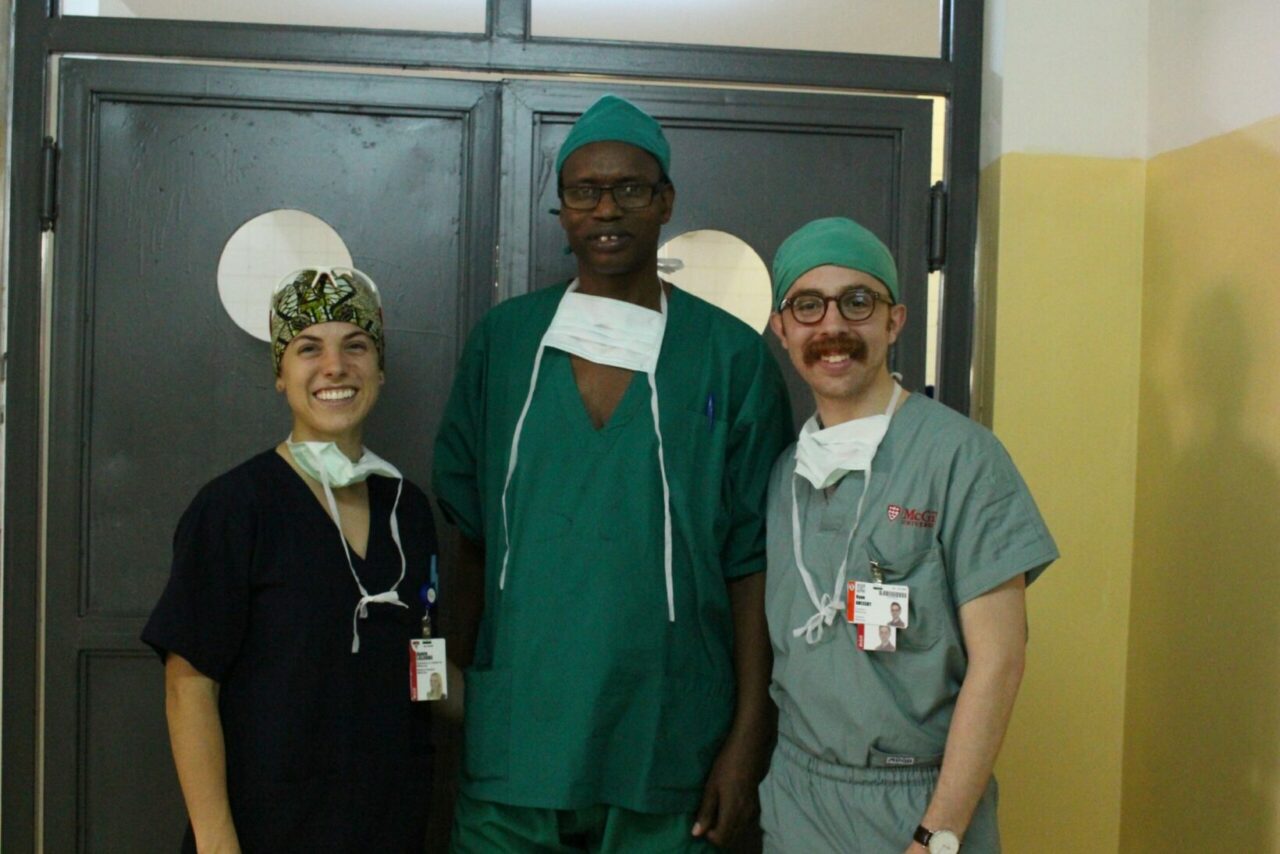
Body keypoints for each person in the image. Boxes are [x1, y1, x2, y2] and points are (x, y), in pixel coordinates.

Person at [433, 94, 793, 851]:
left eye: (631, 189)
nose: (607, 208)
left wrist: (746, 742)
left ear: (664, 201)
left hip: (669, 747)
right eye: (584, 190)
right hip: (517, 745)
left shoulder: (728, 358)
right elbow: (466, 538)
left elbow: (753, 565)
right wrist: (443, 694)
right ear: (561, 208)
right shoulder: (505, 345)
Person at [759, 218, 1058, 854]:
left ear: (894, 321)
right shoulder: (784, 474)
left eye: (857, 302)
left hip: (918, 799)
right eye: (807, 306)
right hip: (797, 797)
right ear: (782, 329)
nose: (832, 326)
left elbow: (1000, 661)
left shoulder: (962, 459)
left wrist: (938, 830)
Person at [143, 267, 437, 853]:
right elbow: (189, 688)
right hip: (267, 832)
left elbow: (425, 664)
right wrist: (216, 841)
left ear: (379, 368)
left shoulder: (409, 510)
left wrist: (524, 704)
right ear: (280, 373)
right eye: (308, 349)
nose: (335, 367)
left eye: (356, 345)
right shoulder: (236, 506)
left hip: (387, 828)